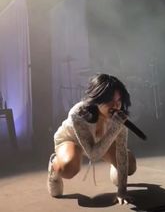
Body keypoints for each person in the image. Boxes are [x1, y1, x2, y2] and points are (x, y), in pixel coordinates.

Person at [47, 73, 137, 205]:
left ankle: (115, 169)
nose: (115, 106)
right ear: (97, 99)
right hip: (72, 141)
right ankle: (54, 165)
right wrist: (115, 128)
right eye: (109, 101)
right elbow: (94, 155)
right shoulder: (78, 113)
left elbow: (121, 150)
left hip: (102, 143)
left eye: (118, 101)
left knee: (130, 164)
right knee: (68, 168)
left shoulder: (119, 116)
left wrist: (122, 191)